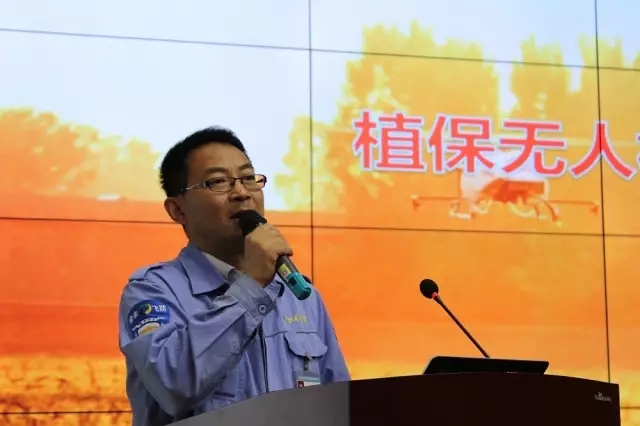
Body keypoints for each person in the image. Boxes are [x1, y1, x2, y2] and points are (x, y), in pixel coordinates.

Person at [118, 126, 350, 426]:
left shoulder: (298, 292)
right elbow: (174, 385)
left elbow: (338, 403)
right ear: (177, 210)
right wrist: (251, 286)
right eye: (218, 182)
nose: (242, 193)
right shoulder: (153, 291)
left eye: (248, 178)